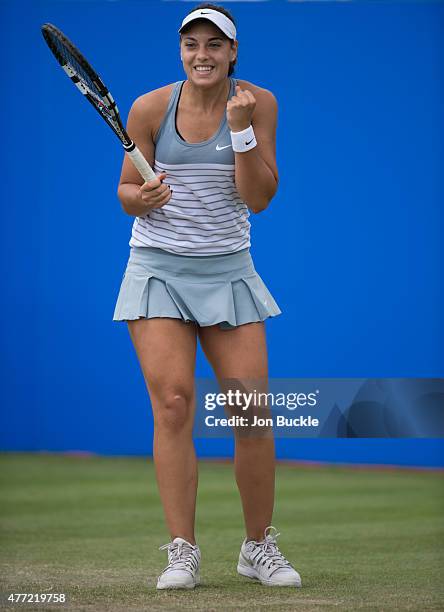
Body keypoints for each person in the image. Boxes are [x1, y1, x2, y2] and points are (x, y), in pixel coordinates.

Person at [113, 2, 301, 590]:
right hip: (158, 270)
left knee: (251, 411)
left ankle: (257, 548)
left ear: (232, 52)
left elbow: (260, 197)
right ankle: (182, 552)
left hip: (227, 270)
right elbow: (125, 188)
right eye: (192, 44)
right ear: (181, 51)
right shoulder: (148, 108)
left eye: (214, 45)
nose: (203, 54)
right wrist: (140, 200)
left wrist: (242, 131)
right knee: (173, 405)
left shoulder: (259, 102)